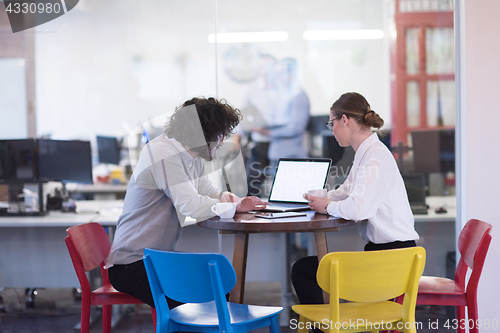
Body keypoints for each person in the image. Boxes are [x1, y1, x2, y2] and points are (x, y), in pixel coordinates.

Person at [106, 97, 268, 309]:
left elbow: (207, 191)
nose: (222, 142)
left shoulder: (190, 156)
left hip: (155, 260)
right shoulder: (163, 153)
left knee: (220, 282)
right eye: (220, 135)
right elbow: (190, 205)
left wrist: (233, 200)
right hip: (132, 264)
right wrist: (234, 207)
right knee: (201, 300)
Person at [291, 92, 419, 305]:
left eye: (331, 123)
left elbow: (358, 209)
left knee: (304, 270)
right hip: (386, 255)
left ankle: (328, 328)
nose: (331, 130)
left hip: (392, 259)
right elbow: (347, 191)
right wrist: (320, 199)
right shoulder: (367, 153)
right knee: (311, 268)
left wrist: (328, 205)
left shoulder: (375, 158)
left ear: (345, 120)